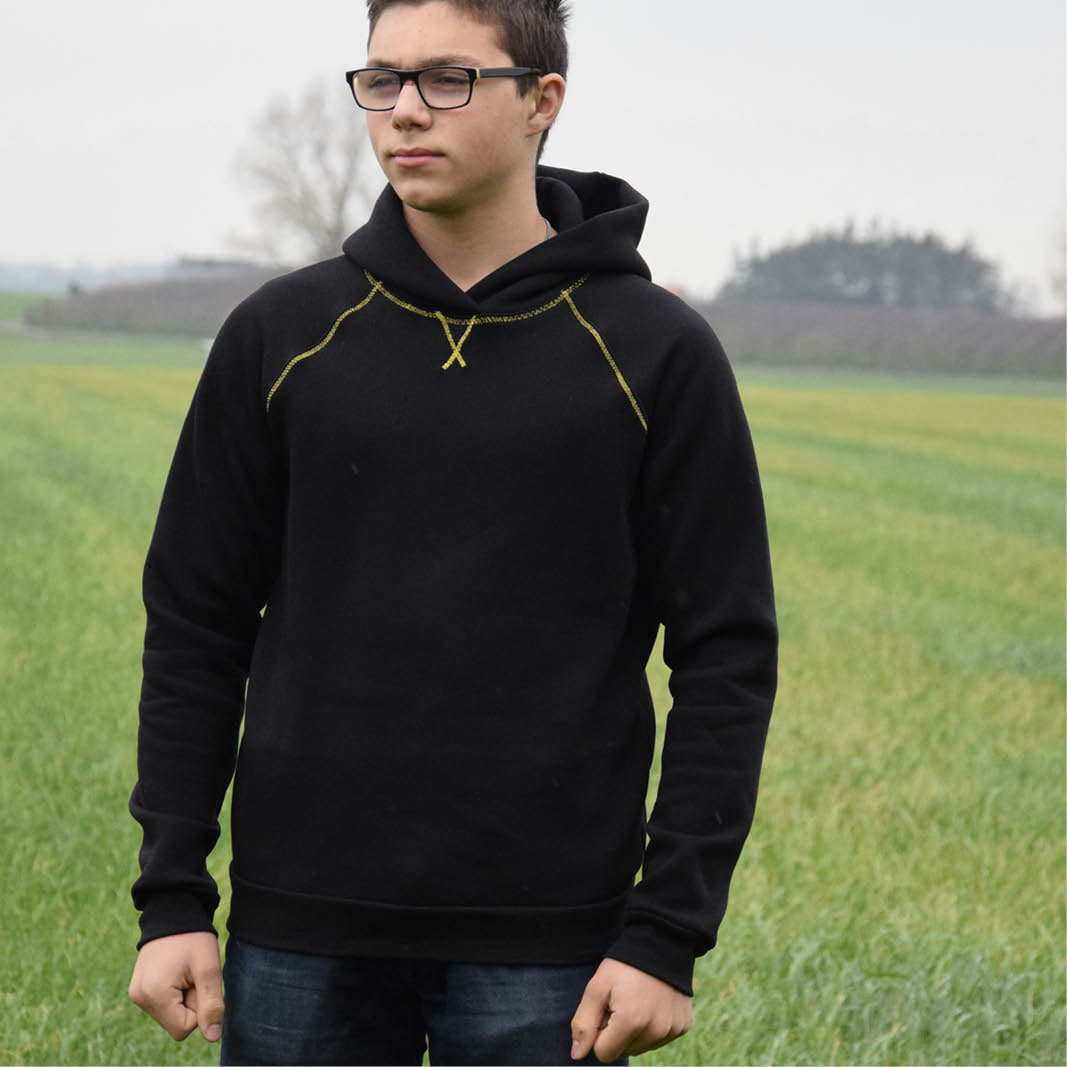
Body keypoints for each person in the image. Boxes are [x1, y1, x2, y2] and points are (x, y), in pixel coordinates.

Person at [126, 0, 778, 1063]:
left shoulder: (655, 352)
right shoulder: (281, 336)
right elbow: (197, 625)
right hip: (298, 927)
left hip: (553, 944)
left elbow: (726, 655)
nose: (404, 111)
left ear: (541, 101)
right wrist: (172, 897)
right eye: (381, 79)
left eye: (448, 78)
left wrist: (666, 933)